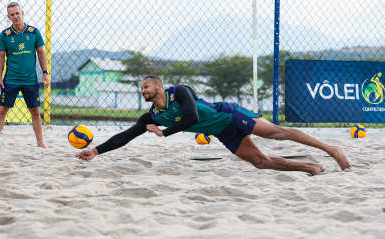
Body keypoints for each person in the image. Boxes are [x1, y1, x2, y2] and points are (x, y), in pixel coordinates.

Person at [76, 76, 351, 175]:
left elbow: (192, 118)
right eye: (141, 88)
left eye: (146, 86)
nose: (143, 90)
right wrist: (97, 151)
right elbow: (125, 136)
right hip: (222, 132)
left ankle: (332, 149)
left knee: (278, 133)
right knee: (260, 162)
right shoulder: (152, 116)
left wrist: (166, 132)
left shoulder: (179, 91)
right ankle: (312, 167)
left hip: (230, 115)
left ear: (158, 85)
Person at [0, 2, 50, 148]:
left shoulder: (34, 32)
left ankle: (41, 143)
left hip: (30, 79)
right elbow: (1, 57)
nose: (15, 16)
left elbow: (41, 53)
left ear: (22, 13)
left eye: (17, 13)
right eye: (12, 14)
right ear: (8, 17)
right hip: (11, 79)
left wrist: (45, 73)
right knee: (2, 110)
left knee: (35, 111)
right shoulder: (5, 35)